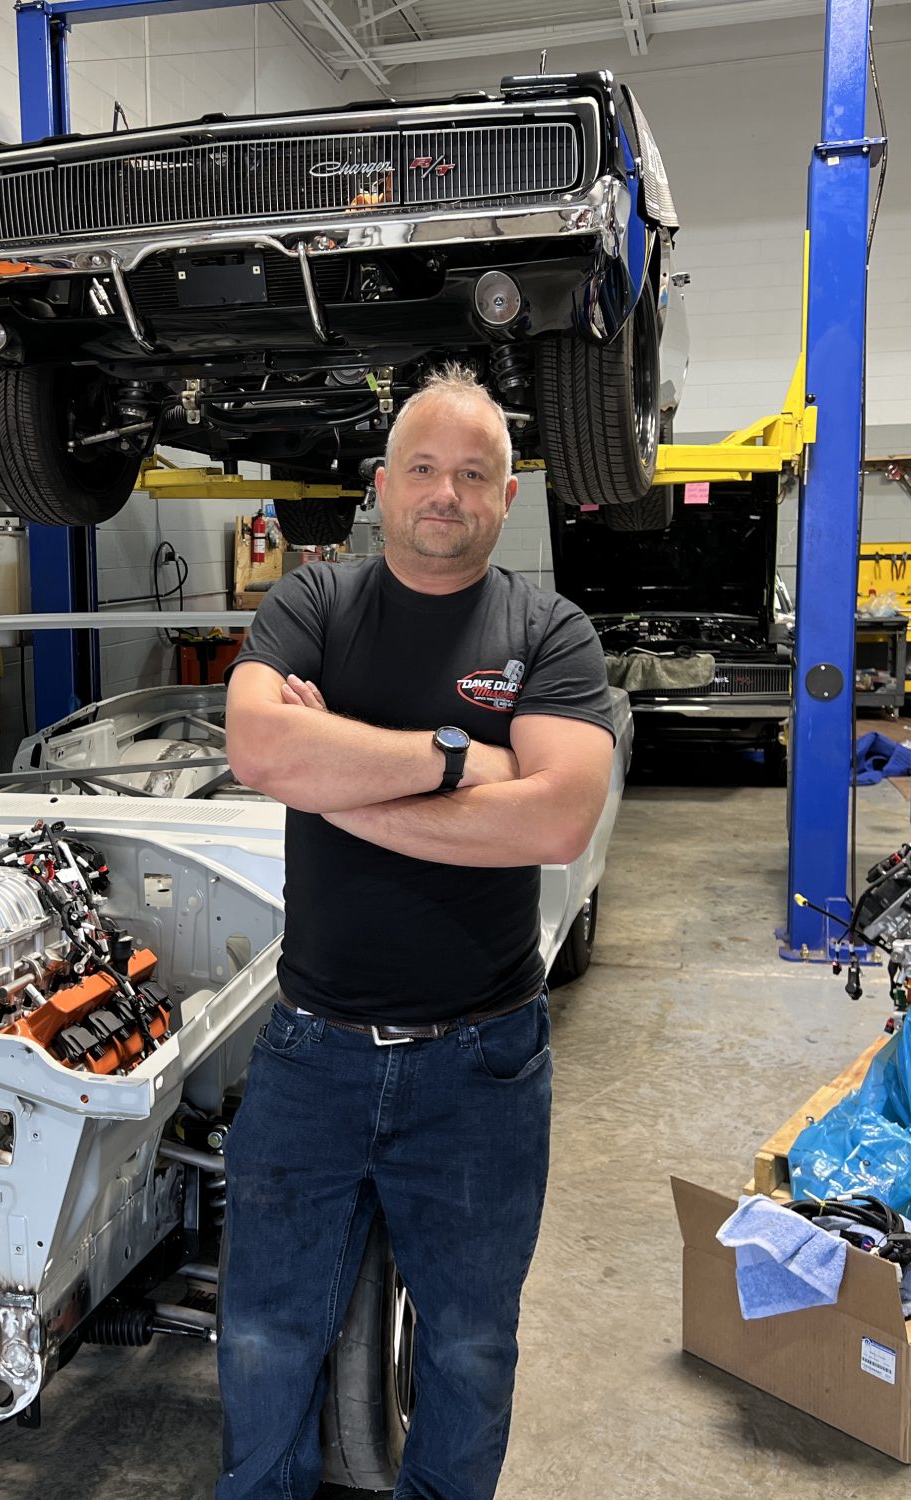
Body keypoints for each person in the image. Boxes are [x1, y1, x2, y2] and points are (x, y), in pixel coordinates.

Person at [216, 364, 619, 1500]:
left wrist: (332, 772)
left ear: (505, 498)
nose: (446, 493)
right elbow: (256, 753)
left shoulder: (549, 630)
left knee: (467, 1347)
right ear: (382, 486)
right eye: (426, 470)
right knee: (260, 1338)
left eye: (475, 475)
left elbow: (554, 816)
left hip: (480, 1063)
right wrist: (455, 757)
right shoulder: (313, 604)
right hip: (312, 1051)